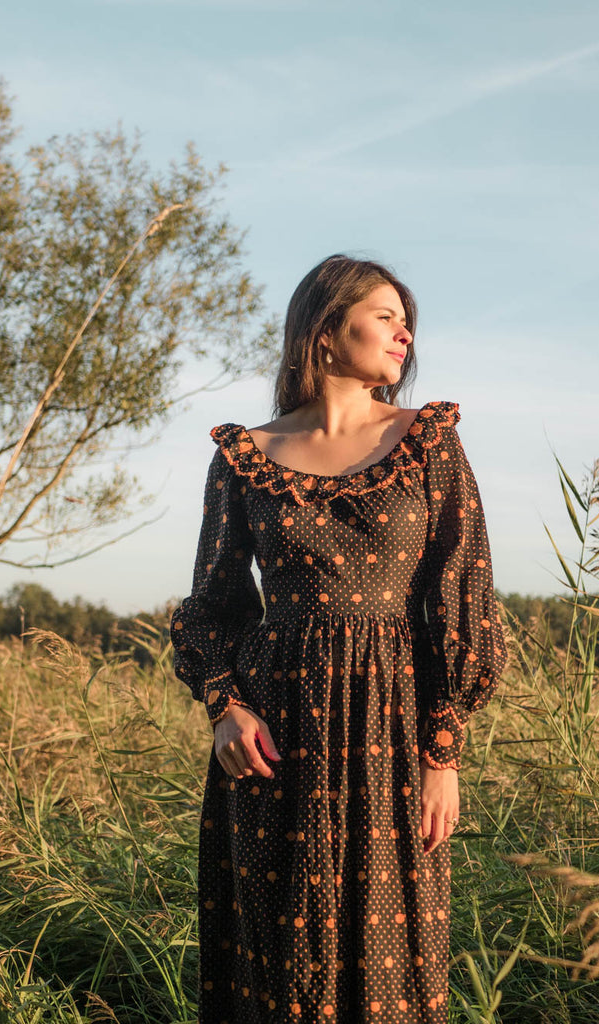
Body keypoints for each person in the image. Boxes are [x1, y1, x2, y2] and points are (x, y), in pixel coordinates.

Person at [170, 254, 507, 1023]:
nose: (405, 333)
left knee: (394, 956)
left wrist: (444, 753)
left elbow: (465, 596)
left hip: (394, 728)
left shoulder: (428, 442)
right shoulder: (244, 458)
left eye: (406, 321)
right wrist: (225, 706)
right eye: (385, 317)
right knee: (277, 955)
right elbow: (214, 604)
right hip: (273, 734)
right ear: (325, 330)